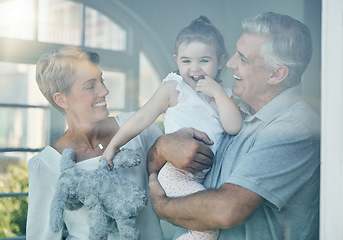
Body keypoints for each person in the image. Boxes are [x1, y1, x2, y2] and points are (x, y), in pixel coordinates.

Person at [148, 12, 320, 240]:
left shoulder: (296, 126)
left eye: (243, 58)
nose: (229, 64)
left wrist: (161, 205)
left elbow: (225, 211)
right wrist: (162, 148)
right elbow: (157, 162)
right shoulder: (234, 109)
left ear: (276, 74)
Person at [101, 16, 242, 240]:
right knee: (209, 226)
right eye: (186, 61)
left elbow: (233, 127)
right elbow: (141, 118)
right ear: (176, 60)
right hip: (177, 175)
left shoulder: (224, 95)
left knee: (206, 225)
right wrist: (113, 145)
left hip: (203, 176)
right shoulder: (174, 89)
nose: (194, 69)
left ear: (221, 60)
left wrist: (218, 93)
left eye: (204, 60)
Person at [26, 46, 165, 240]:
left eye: (102, 80)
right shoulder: (48, 164)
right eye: (90, 86)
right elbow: (42, 237)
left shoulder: (138, 129)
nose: (105, 91)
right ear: (62, 99)